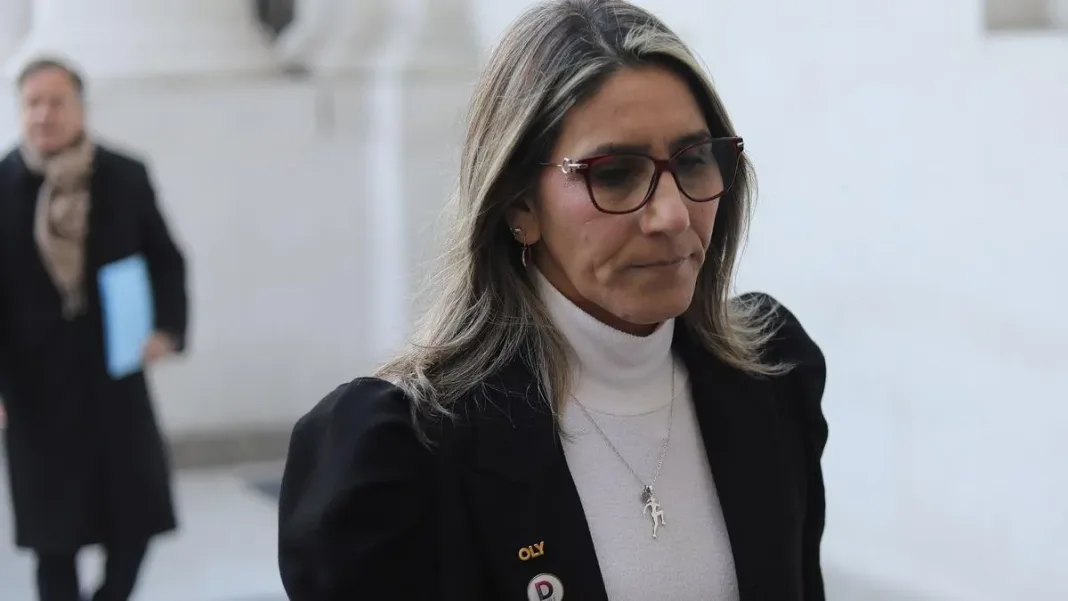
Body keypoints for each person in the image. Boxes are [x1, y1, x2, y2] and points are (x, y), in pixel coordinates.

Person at [277, 0, 828, 599]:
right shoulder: (404, 453)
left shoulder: (770, 377)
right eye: (614, 172)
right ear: (519, 204)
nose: (672, 215)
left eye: (694, 161)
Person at [0, 57, 188, 601]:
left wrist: (166, 329)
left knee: (135, 520)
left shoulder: (123, 175)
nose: (44, 114)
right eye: (33, 103)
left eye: (56, 102)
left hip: (114, 377)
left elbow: (166, 259)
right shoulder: (2, 184)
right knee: (52, 539)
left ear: (80, 108)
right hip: (34, 388)